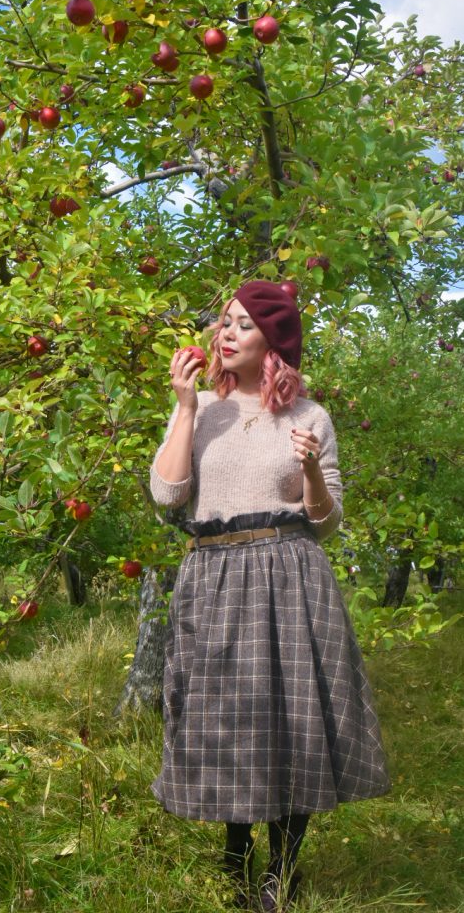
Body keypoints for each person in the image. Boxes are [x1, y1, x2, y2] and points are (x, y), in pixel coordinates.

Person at [148, 281, 390, 911]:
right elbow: (168, 497)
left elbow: (326, 521)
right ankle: (235, 854)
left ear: (274, 342)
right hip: (214, 576)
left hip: (290, 575)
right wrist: (182, 407)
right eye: (223, 323)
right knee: (230, 719)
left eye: (242, 325)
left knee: (293, 720)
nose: (225, 334)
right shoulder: (201, 407)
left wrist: (310, 470)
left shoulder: (310, 418)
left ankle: (278, 871)